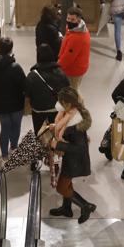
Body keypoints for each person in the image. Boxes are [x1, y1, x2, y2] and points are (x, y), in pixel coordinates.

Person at [47, 87, 97, 223]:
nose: (58, 104)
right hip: (70, 159)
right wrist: (54, 127)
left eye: (61, 102)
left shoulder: (75, 123)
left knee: (61, 187)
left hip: (75, 161)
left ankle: (86, 206)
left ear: (67, 103)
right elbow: (63, 130)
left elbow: (79, 148)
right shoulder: (69, 113)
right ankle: (66, 208)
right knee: (67, 185)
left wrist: (57, 145)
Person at [0, 37, 27, 161]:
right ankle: (14, 147)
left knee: (5, 127)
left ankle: (4, 156)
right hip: (16, 103)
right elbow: (24, 85)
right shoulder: (15, 67)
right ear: (11, 49)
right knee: (16, 126)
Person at [27, 43, 70, 135]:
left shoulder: (32, 75)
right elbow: (67, 91)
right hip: (56, 110)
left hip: (38, 111)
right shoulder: (61, 73)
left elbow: (27, 93)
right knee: (56, 134)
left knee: (40, 134)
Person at [58, 7, 91, 90]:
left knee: (72, 93)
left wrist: (58, 66)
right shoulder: (77, 29)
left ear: (78, 20)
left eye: (72, 19)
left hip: (74, 70)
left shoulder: (77, 37)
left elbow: (68, 57)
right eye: (68, 18)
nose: (69, 21)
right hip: (77, 67)